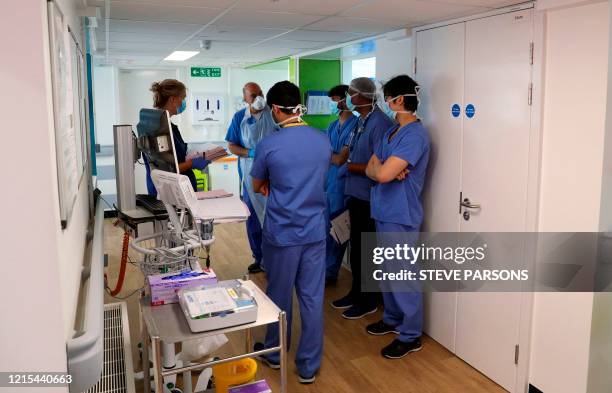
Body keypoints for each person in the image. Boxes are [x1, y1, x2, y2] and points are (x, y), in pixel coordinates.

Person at [250, 81, 331, 384]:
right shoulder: (322, 139)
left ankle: (273, 352)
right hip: (314, 231)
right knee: (312, 298)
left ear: (274, 109)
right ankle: (308, 366)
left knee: (279, 295)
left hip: (284, 233)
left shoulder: (270, 144)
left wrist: (275, 184)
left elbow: (257, 185)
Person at [365, 75, 430, 359]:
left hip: (400, 214)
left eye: (387, 97)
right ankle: (392, 318)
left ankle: (411, 334)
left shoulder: (415, 135)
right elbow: (372, 168)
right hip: (382, 209)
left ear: (399, 99)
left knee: (403, 274)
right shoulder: (391, 131)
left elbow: (382, 172)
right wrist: (382, 171)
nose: (385, 102)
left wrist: (383, 171)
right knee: (386, 271)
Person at [330, 77, 394, 320]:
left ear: (361, 96)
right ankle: (356, 293)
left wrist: (351, 166)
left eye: (350, 93)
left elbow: (379, 164)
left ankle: (367, 300)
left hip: (368, 197)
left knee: (367, 252)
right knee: (356, 251)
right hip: (354, 193)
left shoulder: (379, 123)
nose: (348, 97)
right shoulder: (361, 121)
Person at [225, 82, 276, 274]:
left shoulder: (273, 114)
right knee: (253, 219)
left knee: (272, 218)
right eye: (253, 95)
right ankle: (259, 257)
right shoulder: (240, 117)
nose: (258, 98)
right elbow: (232, 145)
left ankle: (274, 258)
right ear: (245, 98)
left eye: (260, 93)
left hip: (273, 177)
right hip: (249, 176)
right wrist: (251, 152)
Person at [144, 79, 209, 196]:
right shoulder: (158, 130)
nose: (183, 102)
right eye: (182, 98)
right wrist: (192, 163)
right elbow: (165, 170)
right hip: (170, 194)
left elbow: (176, 154)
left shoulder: (167, 126)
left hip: (177, 190)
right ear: (172, 99)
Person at [324, 85, 358, 284]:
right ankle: (325, 268)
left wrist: (329, 155)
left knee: (339, 230)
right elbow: (329, 156)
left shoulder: (355, 125)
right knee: (325, 229)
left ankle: (331, 272)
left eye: (336, 99)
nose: (333, 104)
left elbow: (338, 160)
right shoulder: (331, 126)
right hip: (329, 184)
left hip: (343, 186)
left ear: (345, 100)